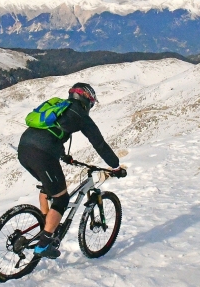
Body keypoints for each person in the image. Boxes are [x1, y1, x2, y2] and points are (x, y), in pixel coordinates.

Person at [17, 83, 126, 259]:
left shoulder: (60, 107)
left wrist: (64, 156)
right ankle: (44, 244)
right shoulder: (81, 115)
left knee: (48, 188)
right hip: (42, 154)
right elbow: (99, 144)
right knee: (61, 199)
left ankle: (46, 223)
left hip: (24, 149)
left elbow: (52, 132)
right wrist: (115, 166)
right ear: (87, 100)